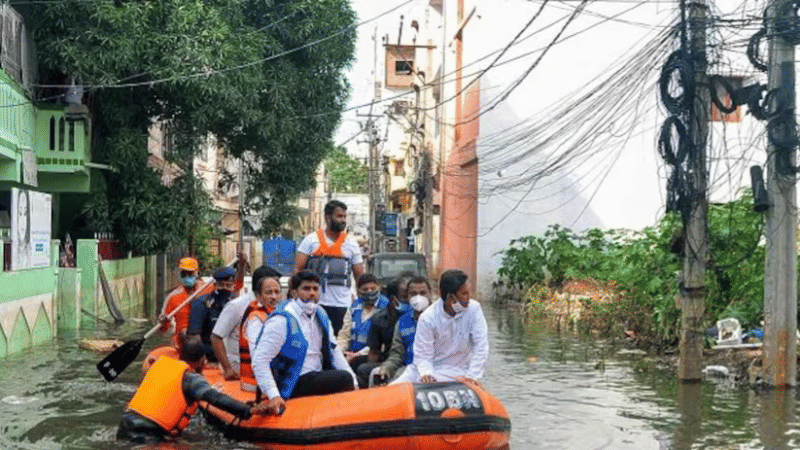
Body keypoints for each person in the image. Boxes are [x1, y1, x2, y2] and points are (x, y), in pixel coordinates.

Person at [250, 270, 358, 415]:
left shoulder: (321, 315)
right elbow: (260, 360)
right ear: (294, 292)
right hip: (291, 381)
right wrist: (274, 395)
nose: (312, 293)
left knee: (353, 373)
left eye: (315, 289)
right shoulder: (282, 319)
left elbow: (334, 351)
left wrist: (355, 383)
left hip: (315, 376)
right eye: (306, 289)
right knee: (343, 379)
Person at [117, 341, 261, 443]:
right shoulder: (190, 379)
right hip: (148, 435)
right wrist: (248, 410)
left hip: (125, 426)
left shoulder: (161, 366)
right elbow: (214, 398)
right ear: (203, 361)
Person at [390, 269, 488, 385]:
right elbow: (422, 353)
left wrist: (472, 376)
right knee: (392, 388)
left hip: (462, 372)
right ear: (451, 297)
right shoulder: (428, 317)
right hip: (429, 370)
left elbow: (481, 347)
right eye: (465, 294)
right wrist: (426, 373)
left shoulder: (474, 309)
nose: (469, 297)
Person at [293, 199, 365, 336]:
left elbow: (360, 276)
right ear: (327, 217)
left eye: (344, 217)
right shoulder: (310, 240)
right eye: (339, 216)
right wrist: (296, 296)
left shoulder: (351, 243)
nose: (343, 220)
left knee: (338, 343)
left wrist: (360, 304)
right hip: (314, 304)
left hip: (342, 306)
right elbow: (297, 270)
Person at [212, 265, 283, 380]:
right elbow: (216, 337)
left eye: (277, 289)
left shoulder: (276, 307)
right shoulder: (237, 306)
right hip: (239, 371)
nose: (275, 294)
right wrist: (228, 369)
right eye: (271, 287)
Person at [354, 277, 413, 387]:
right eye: (405, 296)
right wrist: (380, 373)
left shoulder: (417, 316)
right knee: (362, 368)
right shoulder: (379, 319)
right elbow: (374, 352)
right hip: (391, 361)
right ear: (393, 300)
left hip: (413, 360)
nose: (411, 300)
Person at [374, 277, 431, 384]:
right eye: (413, 294)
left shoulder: (440, 317)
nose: (418, 297)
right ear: (408, 296)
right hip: (408, 370)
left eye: (423, 293)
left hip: (434, 370)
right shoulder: (402, 322)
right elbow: (396, 355)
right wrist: (386, 368)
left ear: (430, 294)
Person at [238, 272, 282, 393]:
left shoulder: (276, 314)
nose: (274, 296)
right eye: (269, 293)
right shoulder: (255, 320)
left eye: (277, 292)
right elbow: (259, 357)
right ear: (258, 296)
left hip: (268, 382)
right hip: (255, 385)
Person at [159, 257, 214, 351]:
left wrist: (241, 266)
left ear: (197, 273)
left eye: (191, 274)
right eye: (184, 274)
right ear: (180, 274)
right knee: (184, 332)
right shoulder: (173, 296)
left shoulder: (208, 289)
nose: (188, 277)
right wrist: (162, 322)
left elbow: (235, 289)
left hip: (205, 338)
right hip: (182, 343)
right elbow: (163, 328)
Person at [337, 273, 389, 374]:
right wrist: (339, 353)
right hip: (351, 352)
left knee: (355, 364)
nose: (369, 291)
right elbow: (344, 335)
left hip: (373, 354)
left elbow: (383, 344)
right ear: (359, 291)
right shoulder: (354, 306)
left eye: (373, 288)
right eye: (365, 289)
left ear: (379, 287)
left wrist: (357, 355)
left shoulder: (386, 307)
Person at [186, 266, 238, 361]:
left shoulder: (237, 304)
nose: (224, 289)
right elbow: (194, 337)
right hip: (209, 355)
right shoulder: (201, 304)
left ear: (233, 286)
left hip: (234, 355)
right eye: (221, 285)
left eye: (228, 285)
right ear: (214, 285)